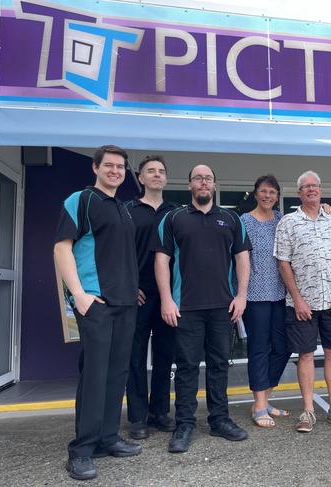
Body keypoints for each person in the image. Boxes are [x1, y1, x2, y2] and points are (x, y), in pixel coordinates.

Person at [54, 145, 141, 481]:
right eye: (109, 165)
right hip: (97, 303)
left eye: (120, 167)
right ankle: (82, 450)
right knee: (94, 376)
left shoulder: (122, 208)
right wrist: (79, 295)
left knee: (117, 373)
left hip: (125, 304)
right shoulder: (81, 200)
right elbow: (62, 247)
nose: (115, 171)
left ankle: (107, 438)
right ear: (95, 167)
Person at [155, 164, 251, 453]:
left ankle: (220, 420)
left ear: (214, 184)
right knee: (186, 367)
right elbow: (161, 261)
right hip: (186, 308)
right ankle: (184, 424)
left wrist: (242, 296)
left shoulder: (231, 219)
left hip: (223, 307)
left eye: (208, 178)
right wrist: (166, 299)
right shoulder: (174, 218)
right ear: (189, 185)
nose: (203, 183)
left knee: (220, 365)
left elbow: (243, 258)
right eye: (198, 178)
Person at [274, 170, 331, 433]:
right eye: (305, 187)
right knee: (306, 355)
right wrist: (297, 298)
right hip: (304, 304)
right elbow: (283, 262)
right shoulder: (288, 222)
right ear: (299, 193)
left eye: (314, 186)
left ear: (320, 190)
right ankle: (308, 411)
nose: (311, 189)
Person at [124, 155, 178, 440]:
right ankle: (137, 417)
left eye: (161, 171)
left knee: (164, 356)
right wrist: (130, 286)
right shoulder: (128, 210)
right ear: (141, 178)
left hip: (167, 296)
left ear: (166, 178)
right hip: (139, 295)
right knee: (134, 357)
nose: (156, 175)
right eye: (150, 171)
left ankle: (159, 412)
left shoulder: (175, 212)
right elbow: (118, 253)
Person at [240, 175, 291, 428]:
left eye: (272, 191)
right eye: (263, 191)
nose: (267, 195)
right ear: (255, 193)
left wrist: (325, 207)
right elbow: (238, 260)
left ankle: (264, 399)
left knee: (283, 347)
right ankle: (259, 405)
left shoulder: (283, 220)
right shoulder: (244, 222)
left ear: (278, 195)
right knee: (259, 349)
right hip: (254, 295)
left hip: (281, 294)